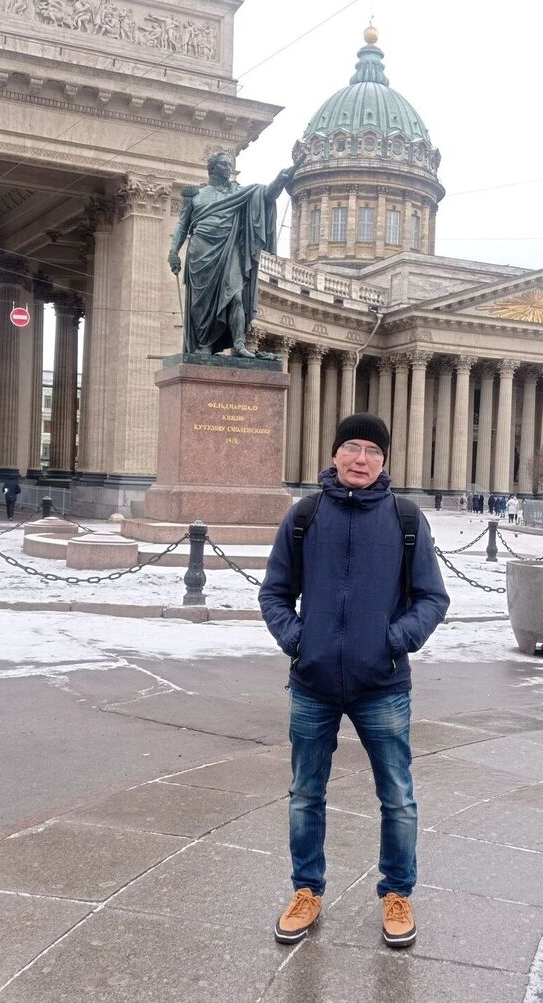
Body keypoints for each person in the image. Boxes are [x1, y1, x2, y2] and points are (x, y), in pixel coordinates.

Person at [259, 413, 449, 950]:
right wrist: (299, 641)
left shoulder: (406, 519)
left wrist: (392, 641)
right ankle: (306, 891)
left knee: (398, 797)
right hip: (313, 682)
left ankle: (397, 894)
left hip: (381, 685)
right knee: (305, 794)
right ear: (335, 454)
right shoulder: (305, 515)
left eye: (372, 451)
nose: (361, 459)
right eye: (352, 447)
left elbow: (432, 598)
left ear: (384, 461)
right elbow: (274, 592)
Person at [168, 151, 299, 358]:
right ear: (212, 168)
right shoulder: (195, 195)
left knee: (236, 296)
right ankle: (204, 344)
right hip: (201, 252)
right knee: (202, 303)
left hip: (230, 248)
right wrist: (173, 252)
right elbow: (182, 225)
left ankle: (239, 343)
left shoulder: (238, 192)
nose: (228, 168)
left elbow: (265, 195)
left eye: (230, 165)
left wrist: (280, 180)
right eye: (223, 164)